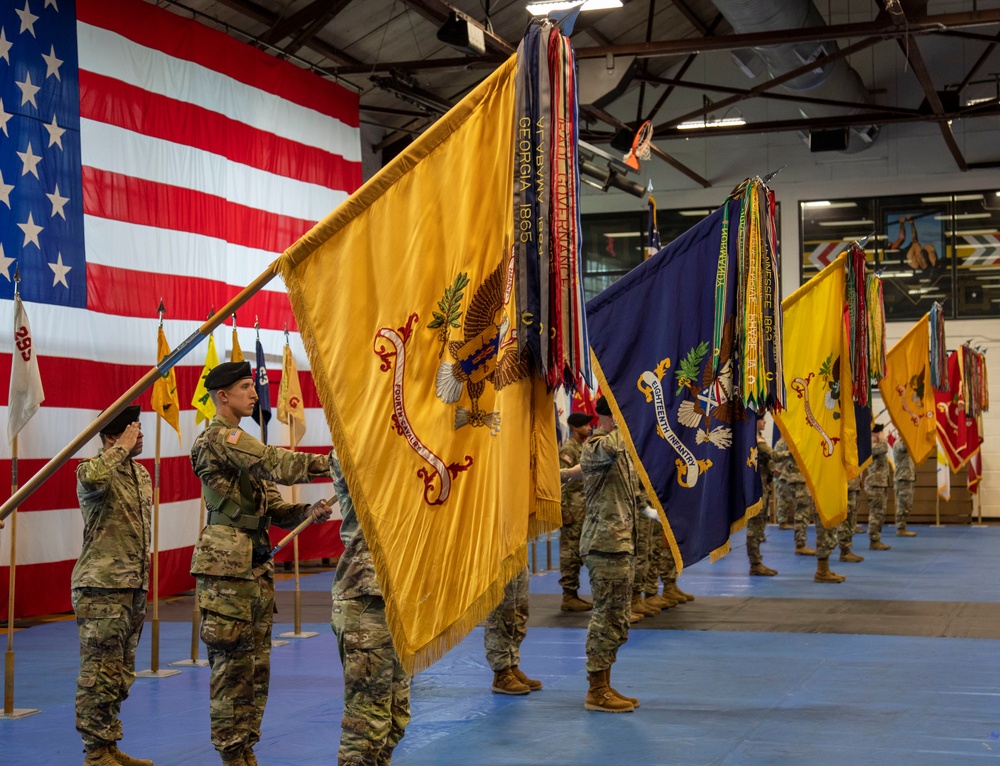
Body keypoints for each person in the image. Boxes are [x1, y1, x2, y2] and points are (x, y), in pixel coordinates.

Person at [190, 361, 333, 766]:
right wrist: (336, 462)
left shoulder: (242, 443)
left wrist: (308, 510)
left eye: (253, 386)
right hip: (227, 571)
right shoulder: (220, 438)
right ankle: (232, 752)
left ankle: (246, 748)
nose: (255, 395)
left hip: (251, 565)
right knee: (231, 669)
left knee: (256, 666)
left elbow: (271, 504)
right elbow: (277, 464)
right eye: (245, 387)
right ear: (223, 396)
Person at [72, 406, 153, 766]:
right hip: (101, 586)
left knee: (119, 672)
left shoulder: (141, 474)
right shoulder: (92, 469)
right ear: (111, 437)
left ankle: (108, 743)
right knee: (98, 672)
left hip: (133, 586)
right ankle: (94, 752)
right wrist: (119, 447)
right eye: (134, 430)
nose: (141, 436)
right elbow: (91, 479)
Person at [330, 451, 411, 764]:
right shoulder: (353, 444)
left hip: (397, 598)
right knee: (366, 719)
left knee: (396, 714)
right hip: (365, 598)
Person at [579, 396, 642, 713]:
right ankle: (596, 690)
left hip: (621, 546)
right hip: (604, 546)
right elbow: (610, 448)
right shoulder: (596, 447)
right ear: (608, 417)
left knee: (617, 619)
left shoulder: (624, 453)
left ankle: (604, 682)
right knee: (605, 618)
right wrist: (626, 418)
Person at [484, 565, 541, 695]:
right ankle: (501, 672)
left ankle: (511, 665)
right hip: (497, 555)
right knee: (502, 612)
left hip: (516, 551)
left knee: (519, 611)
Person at [558, 412, 595, 612]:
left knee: (579, 552)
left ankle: (573, 594)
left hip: (583, 508)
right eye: (585, 425)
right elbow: (560, 483)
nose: (588, 428)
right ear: (574, 427)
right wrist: (564, 512)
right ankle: (568, 596)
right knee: (570, 553)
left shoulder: (583, 447)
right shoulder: (568, 450)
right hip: (572, 508)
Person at [748, 418, 777, 576]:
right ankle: (755, 563)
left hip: (762, 487)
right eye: (761, 420)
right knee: (755, 527)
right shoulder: (756, 441)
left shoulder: (757, 438)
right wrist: (795, 452)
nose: (765, 422)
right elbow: (774, 455)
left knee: (759, 527)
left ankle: (757, 562)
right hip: (757, 490)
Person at [865, 423, 892, 551]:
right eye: (880, 432)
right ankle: (874, 540)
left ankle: (876, 538)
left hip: (881, 483)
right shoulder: (870, 446)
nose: (882, 434)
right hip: (875, 484)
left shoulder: (877, 445)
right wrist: (881, 439)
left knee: (880, 512)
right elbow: (884, 448)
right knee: (876, 513)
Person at [893, 438, 917, 537]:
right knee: (903, 504)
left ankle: (903, 526)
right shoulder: (899, 443)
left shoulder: (904, 442)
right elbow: (907, 446)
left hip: (908, 478)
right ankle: (900, 528)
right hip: (903, 479)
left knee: (907, 505)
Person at [838, 475, 865, 563]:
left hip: (853, 483)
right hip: (845, 482)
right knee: (846, 516)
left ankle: (847, 550)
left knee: (851, 516)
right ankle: (844, 551)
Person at [771, 437, 794, 530]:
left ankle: (784, 520)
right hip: (781, 475)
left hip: (786, 475)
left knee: (786, 498)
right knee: (782, 498)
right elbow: (777, 459)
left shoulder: (786, 442)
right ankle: (782, 522)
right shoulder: (782, 443)